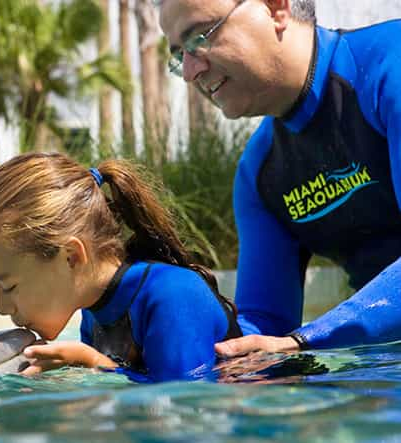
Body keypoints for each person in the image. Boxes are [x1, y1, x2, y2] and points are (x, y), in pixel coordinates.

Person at [158, 0, 401, 355]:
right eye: (180, 55)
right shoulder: (259, 174)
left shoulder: (389, 67)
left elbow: (290, 341)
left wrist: (306, 339)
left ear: (276, 8)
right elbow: (262, 327)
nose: (190, 72)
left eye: (199, 37)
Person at [0, 152, 242, 382]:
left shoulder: (174, 294)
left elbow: (189, 405)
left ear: (71, 256)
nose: (1, 307)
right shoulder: (95, 309)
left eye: (8, 286)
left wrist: (94, 363)